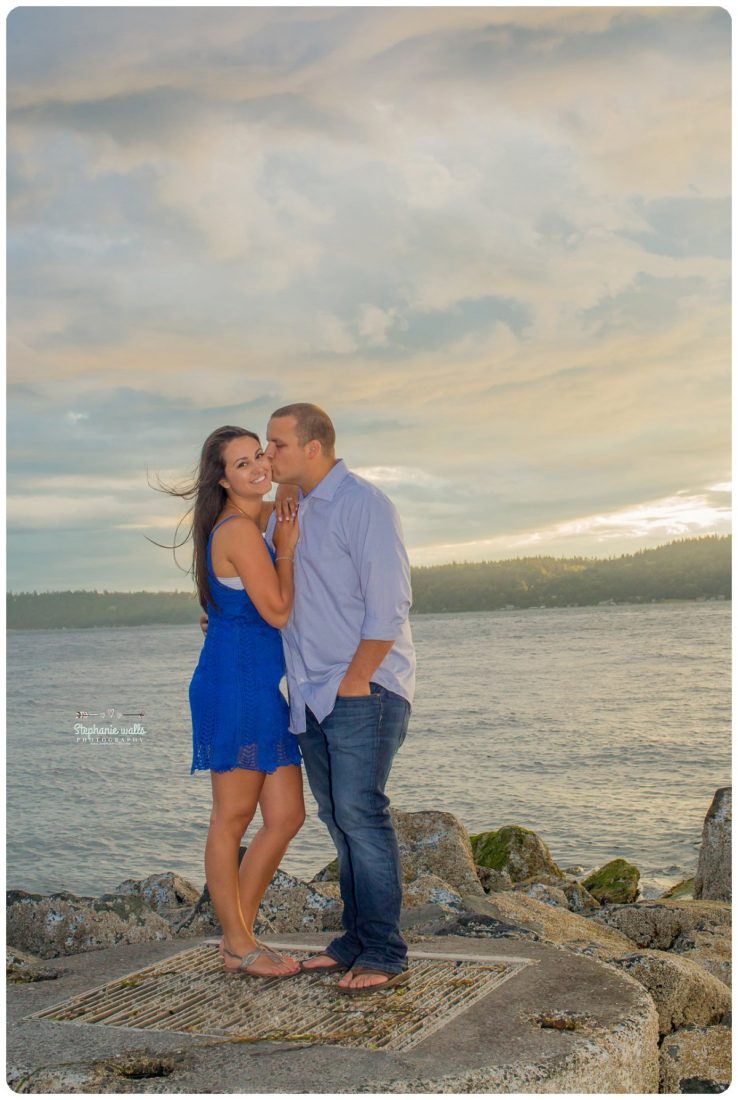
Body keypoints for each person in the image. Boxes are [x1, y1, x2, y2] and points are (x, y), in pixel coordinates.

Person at [264, 403, 416, 994]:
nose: (268, 455)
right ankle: (354, 940)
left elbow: (390, 604)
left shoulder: (365, 505)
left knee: (361, 814)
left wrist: (357, 678)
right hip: (309, 692)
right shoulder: (289, 511)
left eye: (277, 445)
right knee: (338, 819)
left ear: (313, 447)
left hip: (362, 689)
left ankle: (383, 950)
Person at [173, 425, 306, 979]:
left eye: (260, 457)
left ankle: (239, 936)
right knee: (231, 817)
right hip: (235, 686)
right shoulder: (240, 531)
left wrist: (286, 493)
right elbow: (277, 611)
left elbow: (236, 610)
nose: (257, 468)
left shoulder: (250, 517)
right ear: (222, 478)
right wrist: (288, 552)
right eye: (242, 463)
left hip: (257, 684)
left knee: (286, 815)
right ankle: (238, 942)